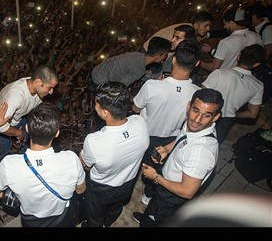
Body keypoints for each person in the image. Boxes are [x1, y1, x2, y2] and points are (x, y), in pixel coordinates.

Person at [132, 88, 223, 227]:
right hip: (166, 184)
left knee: (156, 219)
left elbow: (187, 192)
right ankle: (148, 216)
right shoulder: (193, 126)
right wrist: (167, 149)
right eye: (196, 110)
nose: (197, 120)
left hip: (171, 197)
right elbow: (182, 137)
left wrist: (155, 177)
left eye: (207, 115)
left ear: (216, 117)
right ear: (188, 106)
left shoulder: (200, 152)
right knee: (153, 209)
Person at [0, 102, 86, 227]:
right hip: (62, 218)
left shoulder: (9, 165)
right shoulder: (71, 159)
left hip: (31, 221)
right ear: (57, 133)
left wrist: (19, 193)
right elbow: (80, 190)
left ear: (27, 129)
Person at [132, 39, 201, 205]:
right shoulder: (197, 94)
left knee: (135, 164)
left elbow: (135, 108)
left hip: (144, 135)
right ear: (197, 63)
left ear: (174, 60)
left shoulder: (152, 86)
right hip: (169, 141)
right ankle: (148, 195)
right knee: (154, 167)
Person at [80, 81, 149, 227]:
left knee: (94, 214)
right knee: (116, 207)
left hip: (101, 188)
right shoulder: (141, 122)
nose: (94, 107)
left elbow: (86, 165)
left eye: (96, 104)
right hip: (128, 183)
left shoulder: (94, 141)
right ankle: (108, 223)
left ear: (105, 112)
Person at [0, 65, 59, 160]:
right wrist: (18, 133)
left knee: (25, 152)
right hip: (1, 126)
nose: (51, 92)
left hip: (18, 119)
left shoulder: (36, 87)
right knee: (6, 157)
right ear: (38, 82)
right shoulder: (16, 96)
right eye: (50, 88)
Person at [202, 44, 265, 143]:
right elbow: (253, 114)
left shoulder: (219, 73)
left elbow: (200, 94)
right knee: (212, 145)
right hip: (227, 120)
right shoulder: (258, 85)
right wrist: (236, 114)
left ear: (238, 56)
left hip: (206, 113)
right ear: (256, 64)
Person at [90, 37, 171, 88]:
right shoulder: (139, 70)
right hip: (98, 81)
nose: (165, 57)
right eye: (165, 55)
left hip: (96, 70)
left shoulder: (137, 55)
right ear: (157, 57)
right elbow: (119, 87)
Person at [142, 11, 214, 51]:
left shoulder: (191, 31)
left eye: (209, 26)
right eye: (205, 26)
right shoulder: (184, 31)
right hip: (150, 51)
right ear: (196, 24)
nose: (208, 29)